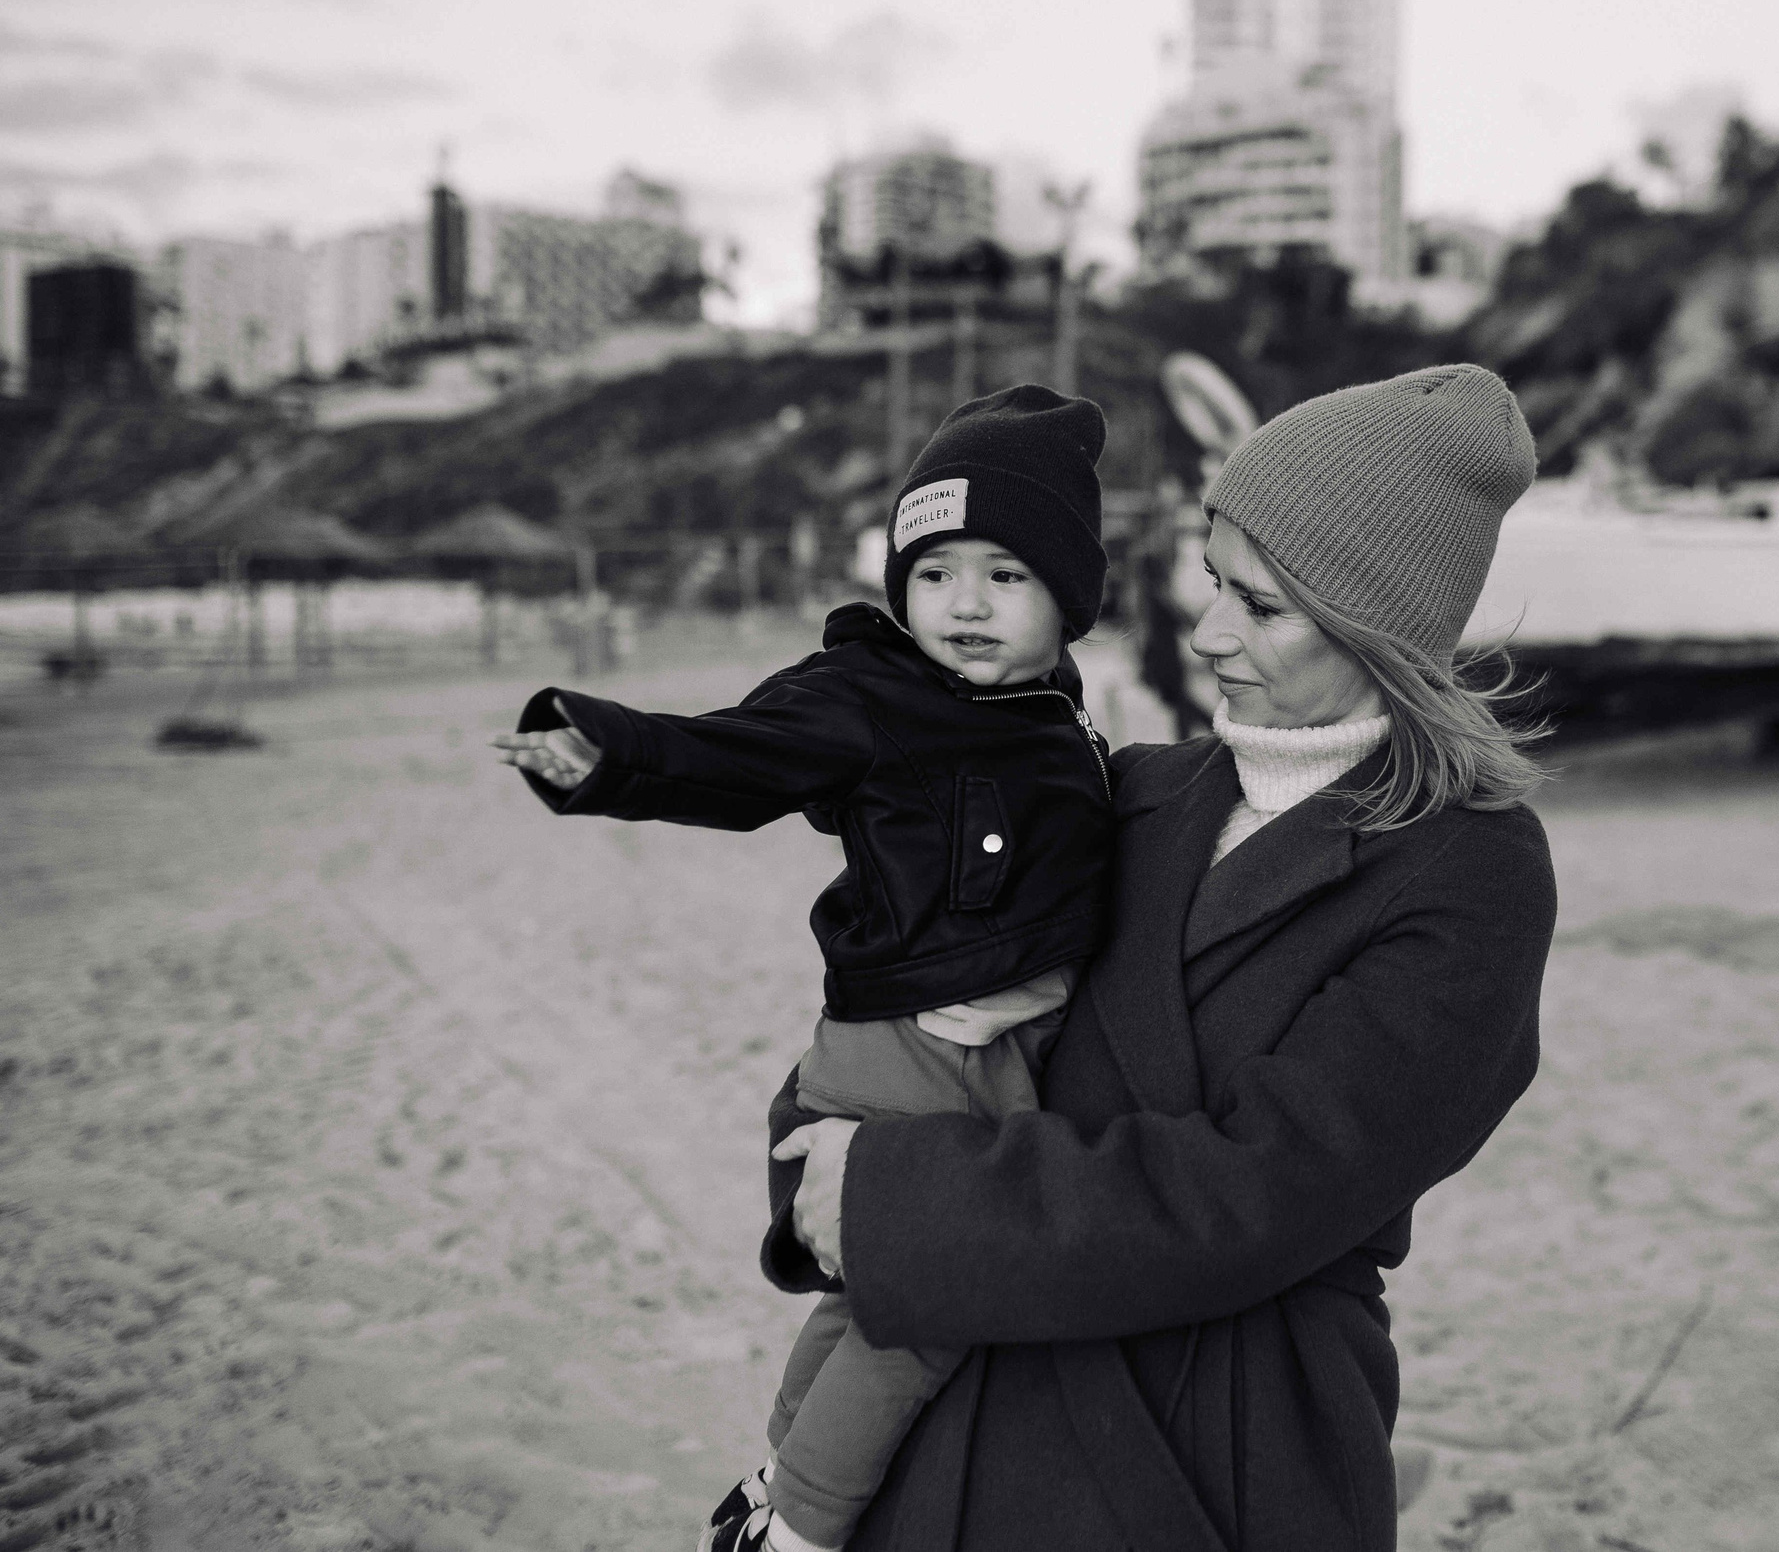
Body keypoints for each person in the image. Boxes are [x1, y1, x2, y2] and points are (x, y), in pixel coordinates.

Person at [775, 362, 1559, 1550]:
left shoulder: (1470, 873)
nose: (1206, 632)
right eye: (1212, 579)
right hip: (954, 1416)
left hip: (1216, 1451)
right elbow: (905, 996)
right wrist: (813, 1164)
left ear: (1380, 627)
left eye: (1262, 605)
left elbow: (1258, 1191)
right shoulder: (1131, 788)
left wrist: (888, 1202)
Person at [490, 386, 1118, 1552]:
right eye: (934, 572)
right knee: (931, 1299)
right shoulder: (878, 695)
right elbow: (737, 756)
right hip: (913, 1052)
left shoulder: (1052, 711)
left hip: (977, 1055)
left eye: (1005, 573)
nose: (964, 603)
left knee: (869, 1289)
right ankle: (804, 1532)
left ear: (1070, 595)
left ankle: (774, 1477)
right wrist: (601, 752)